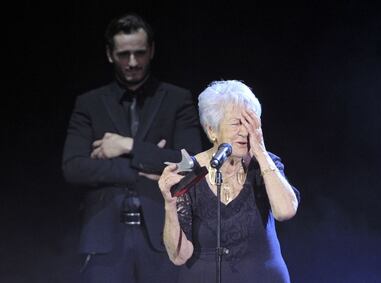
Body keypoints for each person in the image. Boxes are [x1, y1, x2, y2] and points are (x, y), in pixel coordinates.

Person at [62, 12, 202, 283]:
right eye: (124, 54)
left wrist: (126, 146)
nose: (133, 62)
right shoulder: (89, 104)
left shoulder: (177, 99)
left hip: (164, 235)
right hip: (104, 238)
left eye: (140, 53)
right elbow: (74, 167)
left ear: (152, 50)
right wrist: (147, 161)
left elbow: (191, 164)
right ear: (109, 54)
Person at [158, 80, 300, 283]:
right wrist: (169, 204)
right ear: (211, 131)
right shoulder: (190, 171)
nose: (244, 132)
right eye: (236, 124)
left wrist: (260, 151)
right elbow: (179, 256)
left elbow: (285, 211)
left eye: (249, 123)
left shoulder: (265, 165)